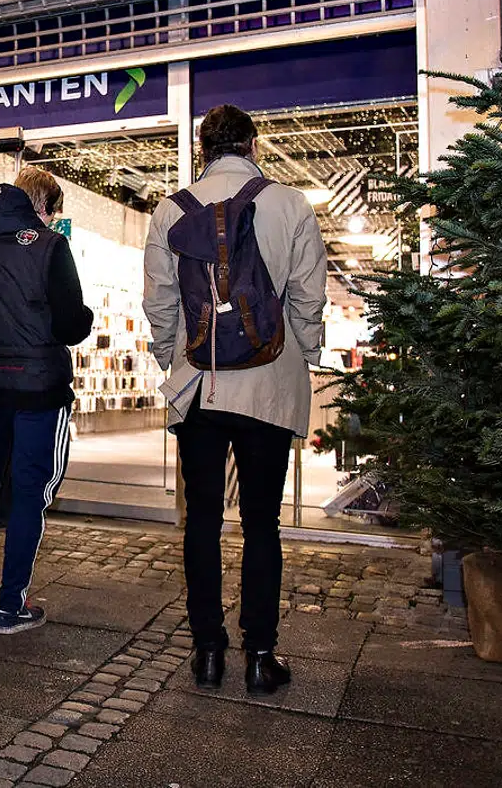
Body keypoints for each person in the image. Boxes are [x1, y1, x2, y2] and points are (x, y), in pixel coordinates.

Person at [142, 104, 328, 695]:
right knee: (262, 524)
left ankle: (207, 653)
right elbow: (307, 295)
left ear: (202, 148)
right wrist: (306, 352)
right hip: (269, 386)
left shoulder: (171, 210)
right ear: (252, 144)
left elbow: (159, 300)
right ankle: (260, 655)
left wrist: (175, 353)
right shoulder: (291, 204)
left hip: (199, 386)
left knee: (200, 520)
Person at [0, 167, 93, 635]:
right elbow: (71, 325)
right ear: (43, 208)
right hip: (38, 391)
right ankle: (12, 606)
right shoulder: (49, 247)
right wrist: (82, 317)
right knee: (31, 491)